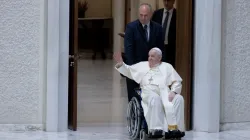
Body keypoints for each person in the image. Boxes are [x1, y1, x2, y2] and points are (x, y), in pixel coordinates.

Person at [113, 48, 185, 138]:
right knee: (155, 99)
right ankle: (156, 129)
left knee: (179, 98)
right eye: (149, 56)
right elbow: (128, 70)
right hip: (148, 91)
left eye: (153, 56)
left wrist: (174, 92)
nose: (150, 58)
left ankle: (175, 129)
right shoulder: (142, 65)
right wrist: (121, 63)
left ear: (159, 58)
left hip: (165, 91)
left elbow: (177, 81)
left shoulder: (167, 67)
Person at [124, 3, 165, 102]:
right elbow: (129, 50)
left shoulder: (158, 28)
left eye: (146, 15)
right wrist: (134, 70)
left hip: (152, 69)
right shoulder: (131, 28)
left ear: (150, 15)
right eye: (141, 15)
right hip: (135, 68)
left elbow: (160, 50)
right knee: (135, 99)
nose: (143, 18)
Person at [152, 0, 176, 67]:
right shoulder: (157, 14)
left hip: (171, 49)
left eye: (168, 1)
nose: (166, 3)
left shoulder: (178, 15)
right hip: (158, 47)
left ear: (173, 1)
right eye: (164, 0)